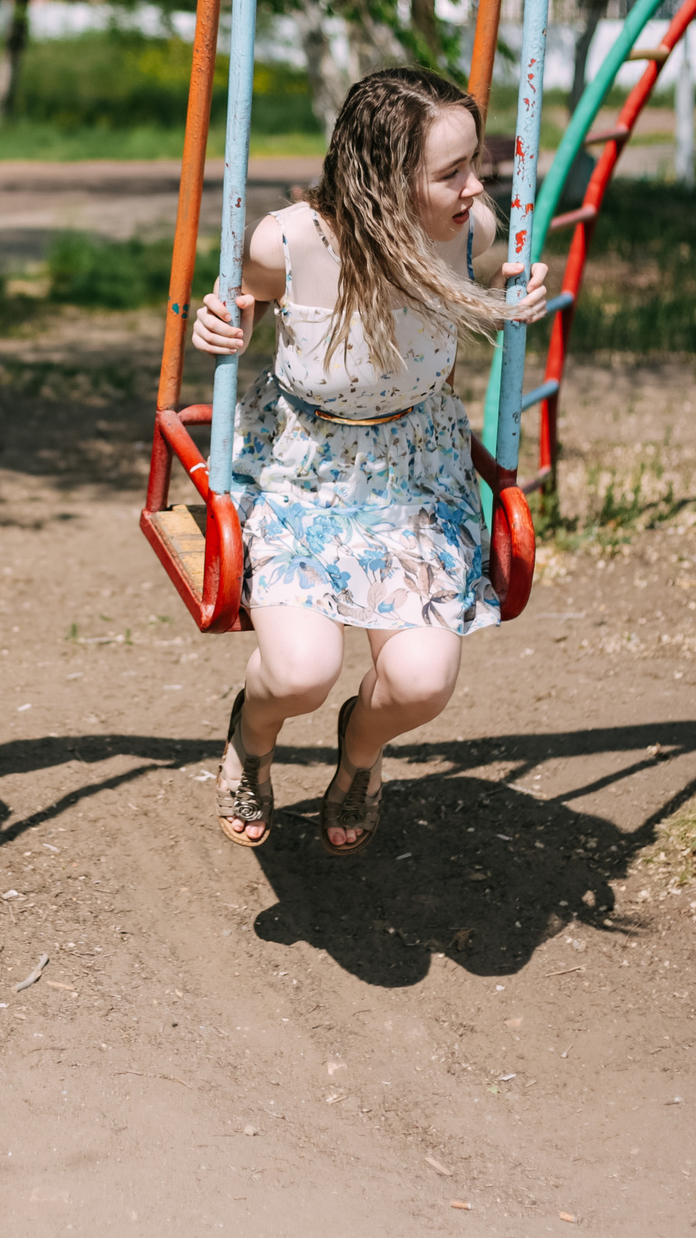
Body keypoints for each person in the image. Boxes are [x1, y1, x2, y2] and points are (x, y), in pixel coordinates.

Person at [189, 66, 549, 857]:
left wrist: (514, 296)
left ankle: (359, 751)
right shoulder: (288, 241)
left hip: (414, 478)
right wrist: (217, 325)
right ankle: (252, 735)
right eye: (452, 172)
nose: (475, 188)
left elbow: (480, 276)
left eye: (476, 164)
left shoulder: (471, 232)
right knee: (299, 673)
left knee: (421, 682)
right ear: (385, 180)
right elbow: (240, 302)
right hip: (304, 473)